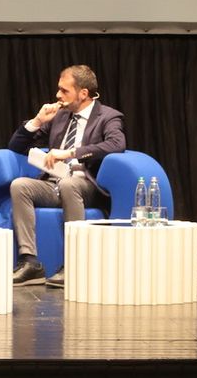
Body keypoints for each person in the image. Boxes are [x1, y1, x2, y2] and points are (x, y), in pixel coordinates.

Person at [7, 64, 126, 287]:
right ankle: (30, 263)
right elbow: (16, 146)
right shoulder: (60, 116)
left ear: (83, 93)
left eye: (64, 90)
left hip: (85, 185)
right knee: (20, 185)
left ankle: (75, 263)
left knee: (69, 184)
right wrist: (37, 121)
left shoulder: (108, 116)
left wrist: (71, 153)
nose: (57, 95)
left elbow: (116, 144)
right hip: (54, 183)